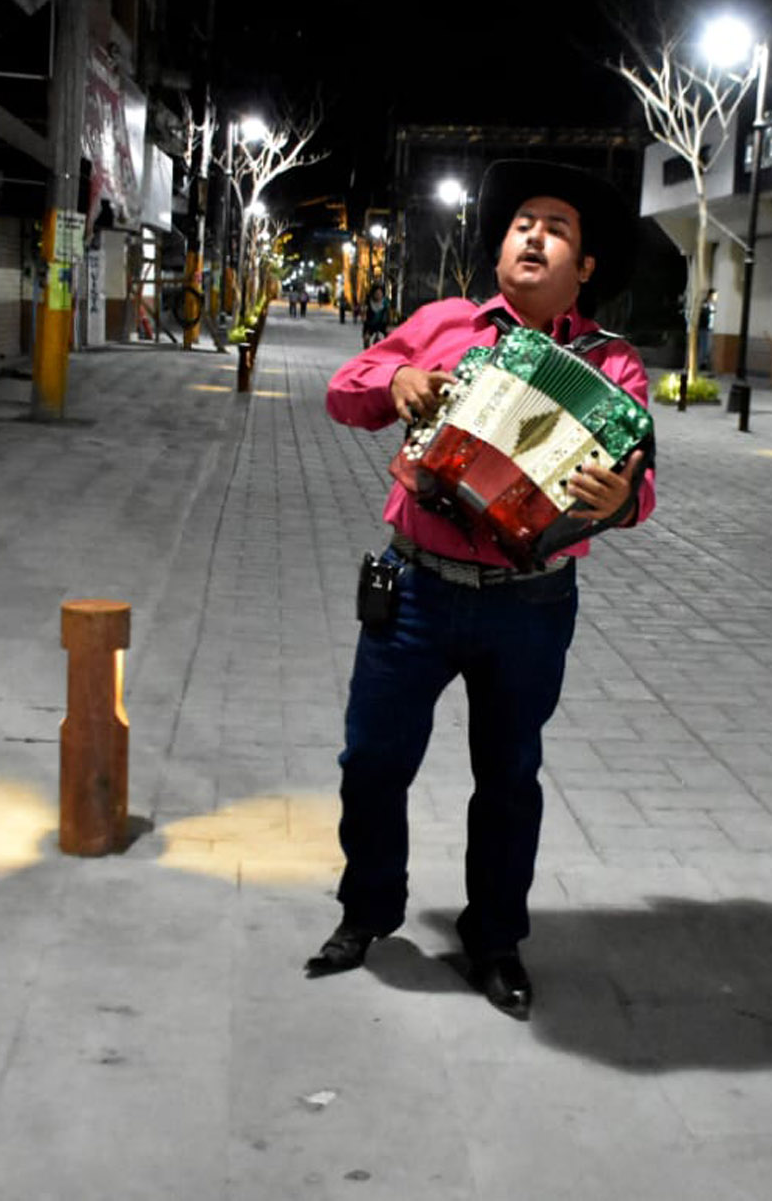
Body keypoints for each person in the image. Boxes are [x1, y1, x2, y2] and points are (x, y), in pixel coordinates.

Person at [308, 160, 655, 1018]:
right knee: (372, 761)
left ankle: (496, 938)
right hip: (416, 588)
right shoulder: (443, 324)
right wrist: (394, 381)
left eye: (557, 227)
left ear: (586, 266)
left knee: (509, 778)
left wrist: (619, 503)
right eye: (522, 222)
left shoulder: (610, 366)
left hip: (531, 605)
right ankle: (367, 911)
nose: (533, 234)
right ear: (502, 247)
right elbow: (342, 392)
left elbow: (638, 483)